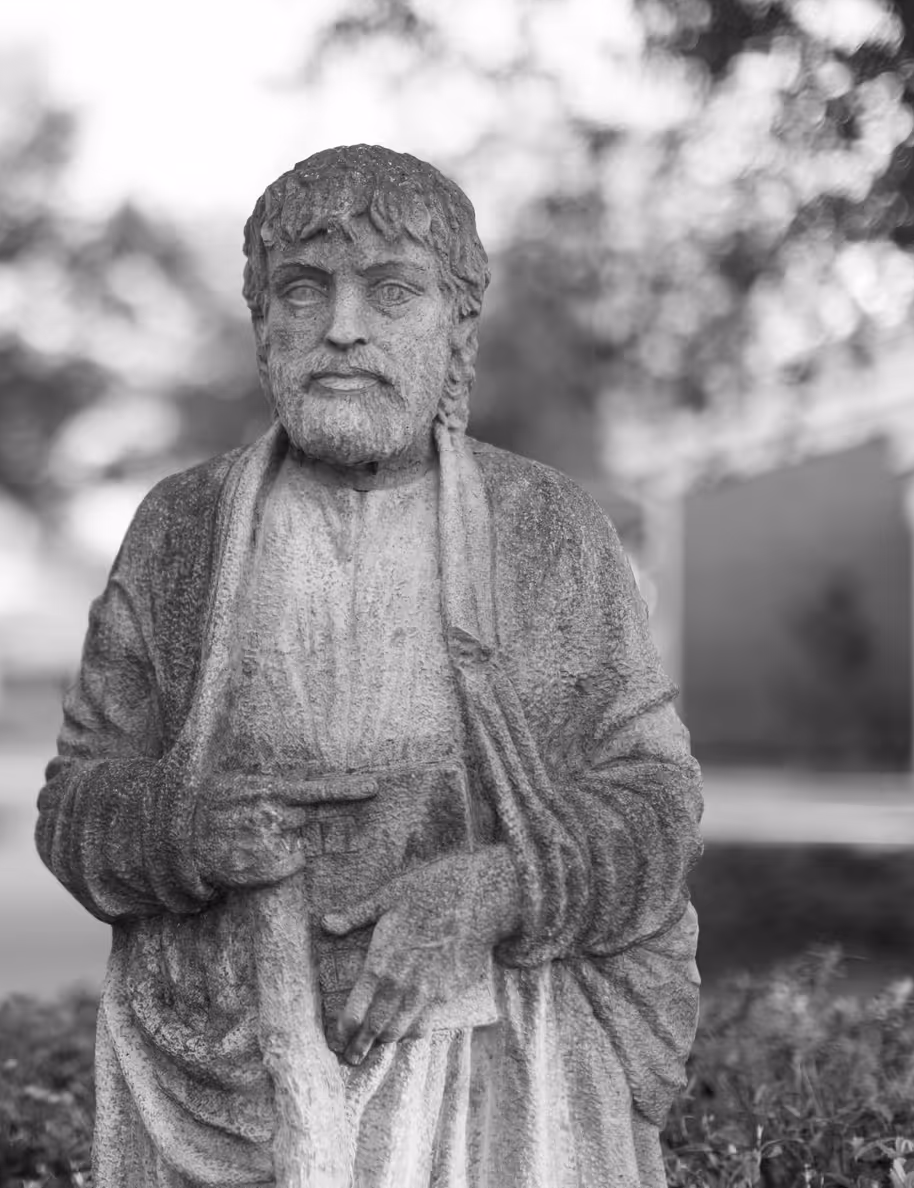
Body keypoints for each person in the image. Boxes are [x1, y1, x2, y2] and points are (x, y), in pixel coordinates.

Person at [36, 145, 702, 1186]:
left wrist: (498, 888)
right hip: (217, 1047)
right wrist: (181, 825)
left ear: (457, 329)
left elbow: (657, 802)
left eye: (391, 290)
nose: (342, 326)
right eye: (304, 290)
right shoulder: (180, 532)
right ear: (264, 328)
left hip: (497, 1076)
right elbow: (76, 803)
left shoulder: (549, 531)